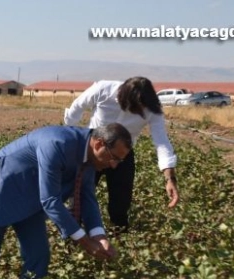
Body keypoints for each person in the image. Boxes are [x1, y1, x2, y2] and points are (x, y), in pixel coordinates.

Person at [0, 123, 132, 279]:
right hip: (2, 184)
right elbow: (50, 200)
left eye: (119, 161)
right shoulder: (57, 143)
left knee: (38, 255)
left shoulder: (91, 159)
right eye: (114, 158)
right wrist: (84, 241)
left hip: (33, 194)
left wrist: (99, 236)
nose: (114, 166)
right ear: (98, 144)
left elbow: (87, 197)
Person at [63, 77, 179, 232]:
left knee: (120, 204)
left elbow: (161, 142)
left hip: (123, 156)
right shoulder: (103, 89)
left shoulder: (152, 108)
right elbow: (76, 108)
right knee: (78, 198)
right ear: (122, 97)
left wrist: (169, 178)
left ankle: (120, 238)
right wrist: (74, 141)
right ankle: (73, 237)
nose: (136, 111)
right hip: (93, 151)